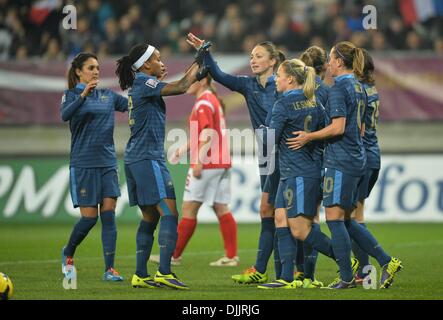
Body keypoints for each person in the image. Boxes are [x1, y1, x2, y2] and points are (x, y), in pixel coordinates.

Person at [288, 41, 402, 289]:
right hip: (357, 157)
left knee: (334, 219)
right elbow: (360, 127)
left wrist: (310, 136)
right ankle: (385, 261)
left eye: (331, 58)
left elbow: (338, 127)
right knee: (348, 219)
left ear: (339, 62)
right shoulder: (361, 87)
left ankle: (347, 277)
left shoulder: (339, 87)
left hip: (341, 160)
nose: (328, 63)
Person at [186, 33, 285, 284]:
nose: (253, 60)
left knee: (290, 215)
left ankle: (302, 268)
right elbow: (218, 75)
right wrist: (205, 51)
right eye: (251, 56)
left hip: (287, 153)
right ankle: (263, 269)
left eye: (259, 56)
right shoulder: (247, 84)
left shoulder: (285, 85)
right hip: (266, 154)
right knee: (268, 209)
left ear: (273, 61)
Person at [115, 43, 204, 290]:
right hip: (147, 158)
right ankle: (164, 272)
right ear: (145, 65)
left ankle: (140, 274)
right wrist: (200, 59)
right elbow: (183, 86)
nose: (162, 62)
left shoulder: (142, 83)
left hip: (138, 158)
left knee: (150, 217)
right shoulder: (144, 82)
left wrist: (199, 64)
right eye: (157, 58)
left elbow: (183, 81)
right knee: (169, 213)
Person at [152, 75, 238, 267]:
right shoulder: (212, 99)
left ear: (203, 81)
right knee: (221, 207)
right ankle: (231, 256)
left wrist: (198, 160)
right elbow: (203, 133)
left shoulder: (203, 103)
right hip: (221, 161)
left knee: (189, 208)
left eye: (192, 80)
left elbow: (207, 134)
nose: (187, 83)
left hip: (208, 162)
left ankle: (173, 255)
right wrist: (183, 150)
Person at [60, 52, 128, 282]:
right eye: (91, 67)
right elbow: (64, 116)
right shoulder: (70, 95)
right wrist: (82, 96)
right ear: (78, 71)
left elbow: (131, 104)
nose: (96, 71)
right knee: (89, 219)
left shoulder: (107, 96)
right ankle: (68, 251)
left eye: (98, 67)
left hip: (108, 163)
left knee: (108, 215)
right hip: (83, 164)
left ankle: (110, 269)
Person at [351, 49, 402, 287]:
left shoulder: (357, 90)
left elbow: (357, 129)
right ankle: (363, 272)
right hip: (373, 156)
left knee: (347, 217)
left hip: (359, 158)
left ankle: (382, 262)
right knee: (355, 215)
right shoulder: (372, 90)